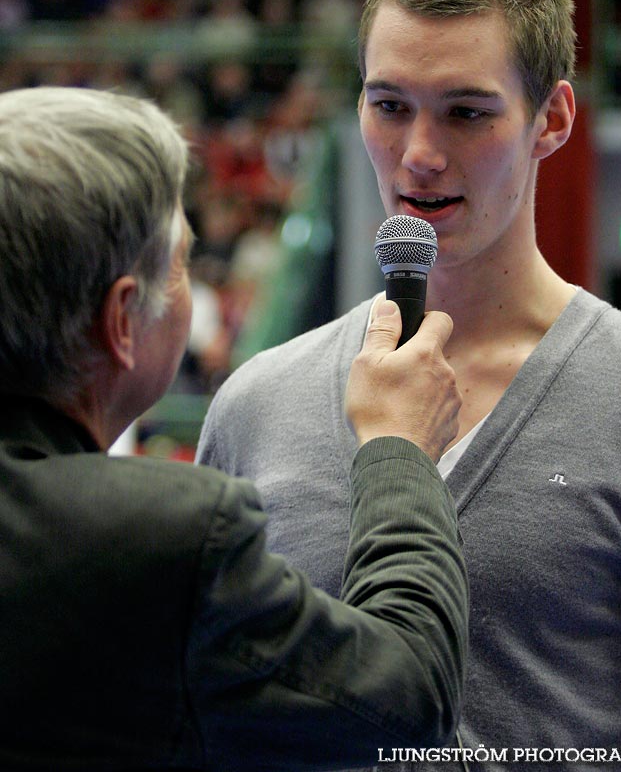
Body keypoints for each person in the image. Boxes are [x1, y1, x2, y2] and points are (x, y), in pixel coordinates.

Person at [197, 0, 621, 771]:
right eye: (389, 105)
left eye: (465, 112)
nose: (417, 154)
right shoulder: (256, 403)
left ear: (551, 120)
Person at [0, 86, 469, 771]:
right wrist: (398, 447)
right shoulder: (158, 537)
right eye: (183, 261)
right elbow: (407, 697)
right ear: (123, 318)